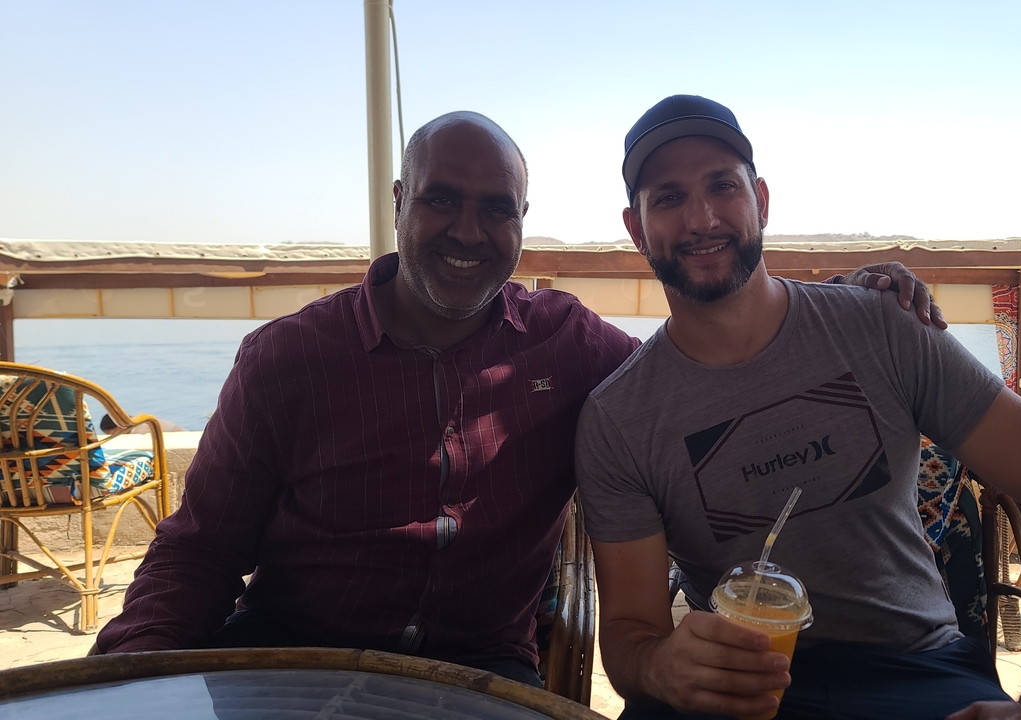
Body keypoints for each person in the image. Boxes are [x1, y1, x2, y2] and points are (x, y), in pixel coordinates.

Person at [95, 110, 938, 686]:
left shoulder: (570, 346)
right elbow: (198, 554)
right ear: (399, 204)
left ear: (522, 221)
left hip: (480, 680)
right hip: (290, 664)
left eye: (496, 209)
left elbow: (696, 370)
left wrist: (851, 302)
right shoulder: (286, 358)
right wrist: (123, 675)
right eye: (441, 200)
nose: (468, 231)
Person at [574, 95, 1021, 719]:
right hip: (736, 680)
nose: (701, 218)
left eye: (722, 186)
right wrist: (661, 667)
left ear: (762, 201)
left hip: (915, 668)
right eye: (668, 197)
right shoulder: (619, 418)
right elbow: (628, 631)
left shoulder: (881, 326)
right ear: (636, 227)